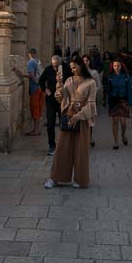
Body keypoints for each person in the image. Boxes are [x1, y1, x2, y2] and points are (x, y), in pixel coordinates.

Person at [45, 57, 97, 189]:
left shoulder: (91, 82)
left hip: (82, 118)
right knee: (62, 148)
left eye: (75, 67)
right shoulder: (68, 80)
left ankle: (80, 179)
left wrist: (78, 117)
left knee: (81, 150)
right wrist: (59, 84)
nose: (73, 70)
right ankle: (56, 178)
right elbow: (60, 97)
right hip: (68, 116)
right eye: (71, 68)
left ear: (81, 65)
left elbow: (91, 104)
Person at [39, 54, 71, 156]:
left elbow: (72, 81)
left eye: (57, 65)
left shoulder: (66, 69)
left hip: (63, 100)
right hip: (51, 100)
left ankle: (64, 145)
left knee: (64, 122)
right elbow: (41, 80)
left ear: (61, 63)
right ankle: (52, 145)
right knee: (50, 123)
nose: (56, 68)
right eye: (54, 66)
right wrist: (45, 89)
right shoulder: (48, 70)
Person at [107, 57, 132, 149]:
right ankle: (115, 142)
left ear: (121, 66)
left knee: (123, 122)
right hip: (113, 100)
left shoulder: (126, 77)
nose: (116, 67)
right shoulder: (110, 77)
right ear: (112, 66)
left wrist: (130, 102)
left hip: (123, 100)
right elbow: (108, 91)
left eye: (118, 65)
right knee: (115, 121)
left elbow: (129, 89)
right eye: (114, 65)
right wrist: (108, 103)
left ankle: (123, 135)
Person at [23, 48, 44, 137]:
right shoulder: (38, 61)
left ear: (30, 53)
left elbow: (31, 75)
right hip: (40, 88)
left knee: (34, 109)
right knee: (38, 109)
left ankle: (35, 130)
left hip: (34, 89)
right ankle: (37, 129)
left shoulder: (30, 62)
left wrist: (21, 74)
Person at [82, 53, 102, 148]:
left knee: (89, 120)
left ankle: (90, 138)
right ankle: (84, 139)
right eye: (84, 60)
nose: (85, 62)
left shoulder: (94, 73)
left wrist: (93, 92)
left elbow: (98, 85)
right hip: (80, 100)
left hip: (90, 100)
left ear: (90, 62)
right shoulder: (78, 72)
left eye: (87, 60)